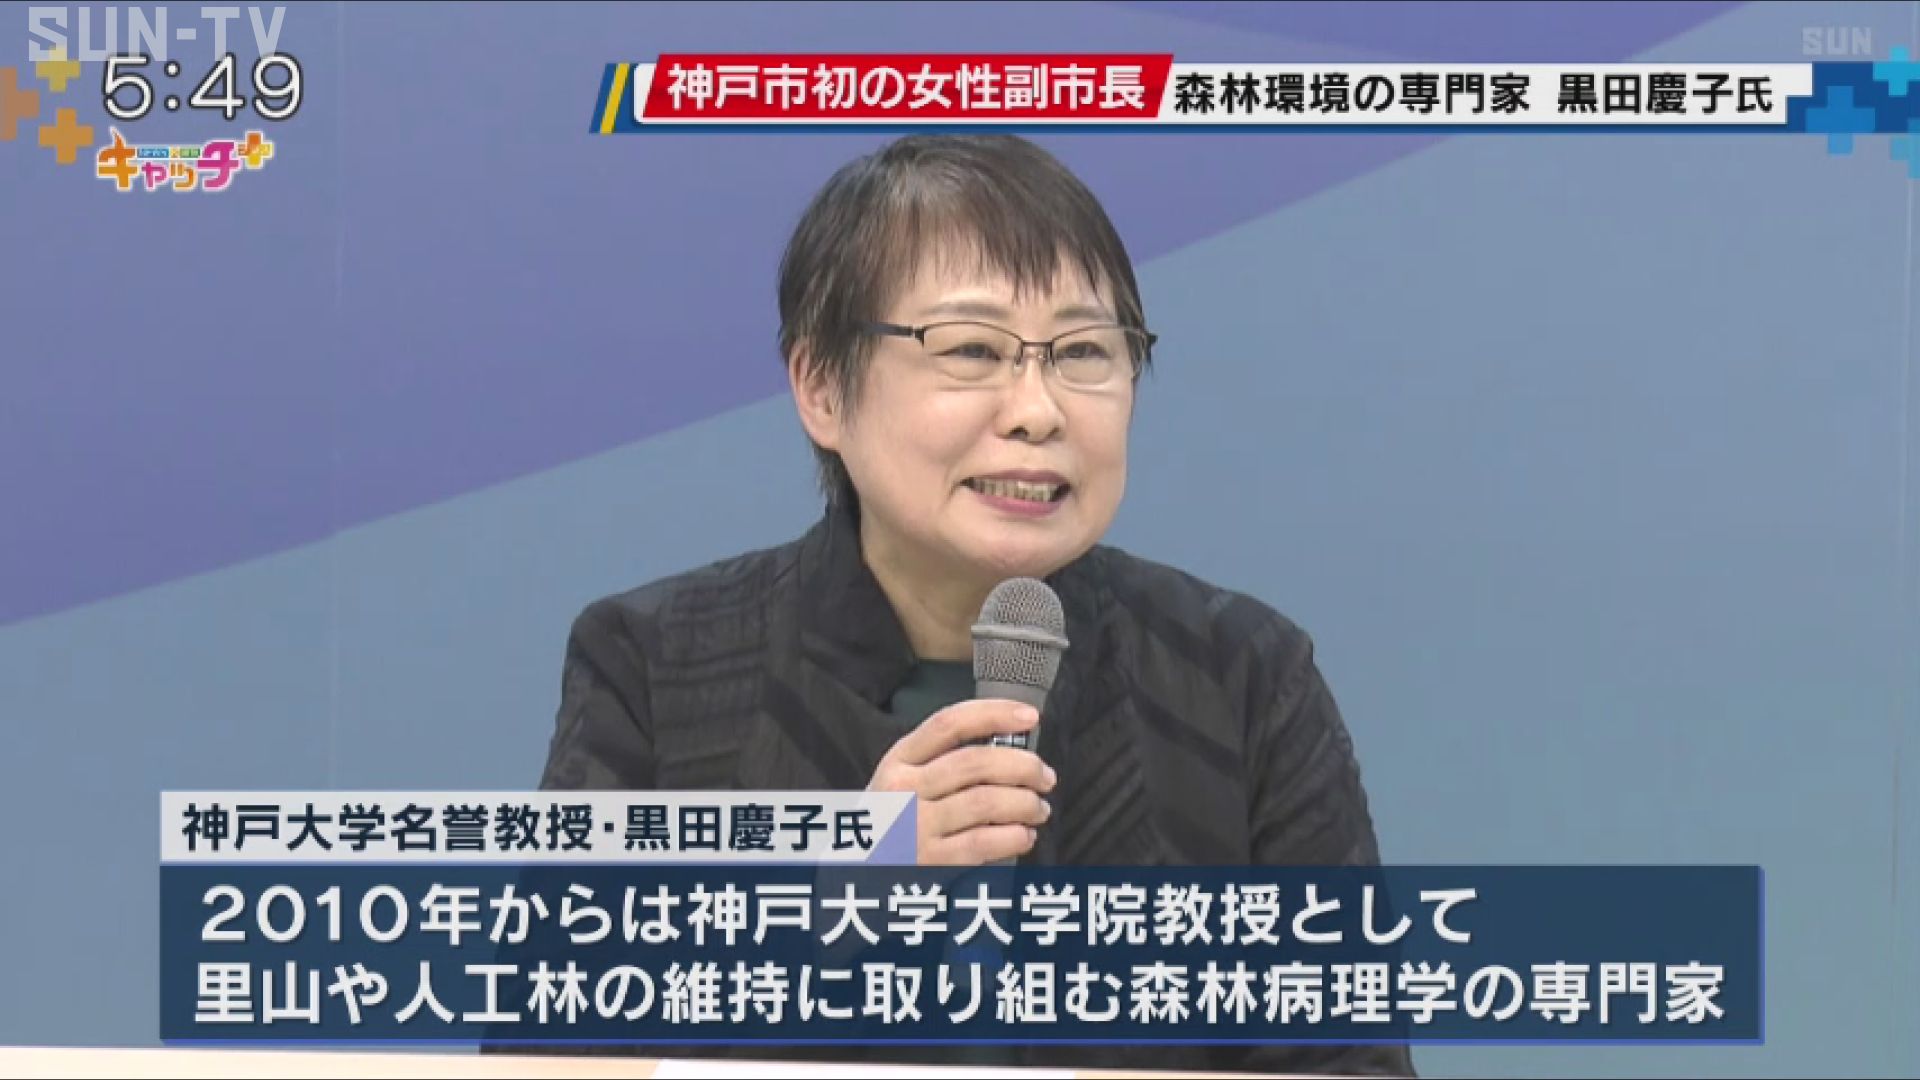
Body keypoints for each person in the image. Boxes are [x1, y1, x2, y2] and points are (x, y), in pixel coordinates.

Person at [537, 133, 1412, 1077]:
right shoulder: (658, 667)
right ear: (821, 388)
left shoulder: (1239, 675)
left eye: (1083, 350)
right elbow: (555, 1057)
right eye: (971, 350)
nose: (1037, 410)